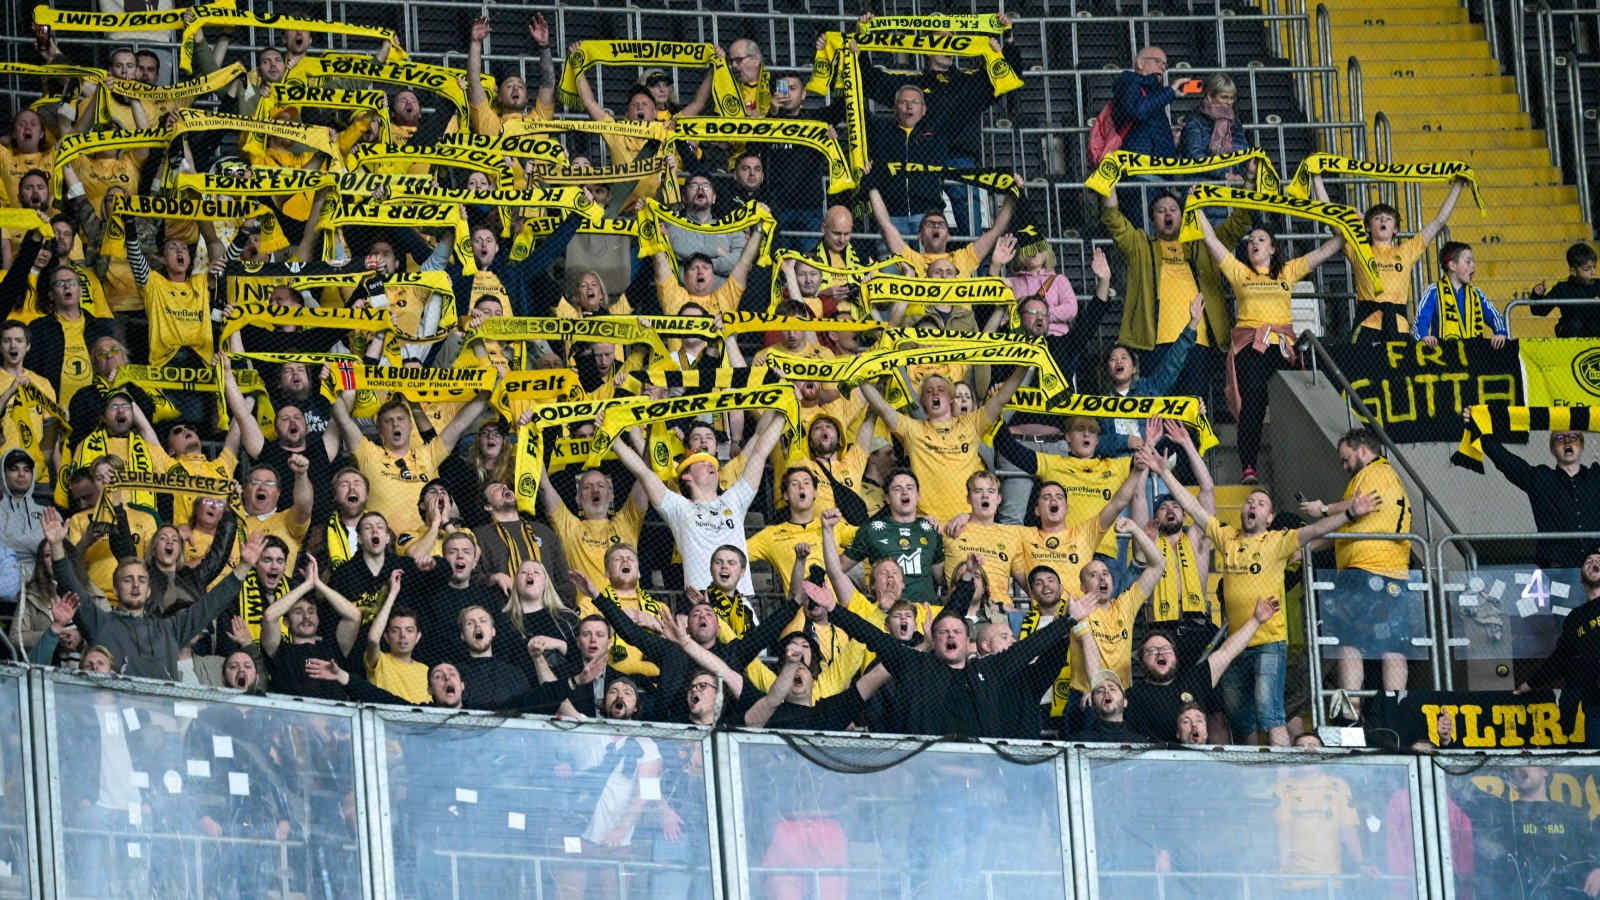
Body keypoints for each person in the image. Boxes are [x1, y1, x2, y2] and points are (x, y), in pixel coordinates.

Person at [1143, 445, 1378, 745]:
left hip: (1268, 643)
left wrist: (1349, 513)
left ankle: (1283, 769)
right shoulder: (1227, 537)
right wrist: (1163, 472)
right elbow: (1193, 506)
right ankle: (1251, 771)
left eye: (1261, 503)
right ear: (1243, 510)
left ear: (1269, 518)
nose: (1253, 504)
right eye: (1250, 501)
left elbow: (1318, 529)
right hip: (1234, 646)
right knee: (1240, 720)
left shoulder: (1278, 541)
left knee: (1270, 714)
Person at [806, 572, 1095, 739]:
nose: (950, 636)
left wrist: (1068, 621)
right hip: (929, 770)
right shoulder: (916, 664)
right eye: (942, 632)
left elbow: (1027, 648)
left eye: (957, 631)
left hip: (981, 770)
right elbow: (873, 637)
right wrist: (834, 610)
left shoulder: (989, 669)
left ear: (969, 642)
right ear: (934, 640)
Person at [1192, 205, 1345, 484]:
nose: (1254, 243)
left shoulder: (1288, 271)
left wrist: (1349, 226)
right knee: (1253, 404)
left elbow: (1327, 249)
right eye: (1250, 240)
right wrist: (1197, 207)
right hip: (1251, 348)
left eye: (1261, 239)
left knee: (1296, 403)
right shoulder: (1240, 272)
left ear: (1273, 248)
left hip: (1283, 347)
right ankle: (1249, 468)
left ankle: (1301, 465)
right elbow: (1211, 241)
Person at [44, 508, 266, 680]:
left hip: (165, 719)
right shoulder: (100, 623)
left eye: (142, 580)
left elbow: (211, 604)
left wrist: (244, 566)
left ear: (149, 590)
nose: (136, 585)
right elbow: (70, 584)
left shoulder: (170, 629)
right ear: (115, 589)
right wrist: (56, 546)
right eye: (128, 580)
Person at [1297, 427, 1417, 701]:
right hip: (1395, 574)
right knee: (1392, 644)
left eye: (1346, 458)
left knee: (1349, 642)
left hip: (1363, 571)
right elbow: (1346, 527)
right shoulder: (1390, 479)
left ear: (1363, 450)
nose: (1344, 466)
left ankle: (1351, 709)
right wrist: (1305, 548)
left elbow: (1358, 505)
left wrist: (1323, 509)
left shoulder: (1373, 472)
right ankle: (1396, 707)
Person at [610, 411, 786, 594]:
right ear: (687, 476)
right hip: (702, 606)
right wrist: (612, 437)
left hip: (742, 604)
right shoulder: (678, 507)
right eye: (702, 462)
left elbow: (759, 453)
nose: (711, 465)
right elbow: (643, 472)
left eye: (712, 463)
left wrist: (783, 414)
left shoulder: (734, 500)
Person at [1104, 188, 1246, 405]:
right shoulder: (1140, 245)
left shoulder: (1203, 245)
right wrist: (1108, 182)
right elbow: (1113, 219)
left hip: (1197, 344)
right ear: (1152, 219)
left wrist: (1249, 181)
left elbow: (1239, 225)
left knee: (1192, 409)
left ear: (1183, 215)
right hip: (1156, 345)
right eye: (1161, 211)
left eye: (1173, 209)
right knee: (1159, 411)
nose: (1168, 214)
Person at [858, 368, 1027, 523]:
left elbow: (1001, 399)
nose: (935, 393)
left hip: (966, 523)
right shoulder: (912, 429)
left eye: (941, 390)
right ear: (923, 401)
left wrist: (1025, 367)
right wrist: (859, 375)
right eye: (929, 391)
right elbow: (881, 407)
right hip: (928, 524)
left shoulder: (972, 423)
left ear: (951, 398)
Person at [1311, 173, 1466, 341]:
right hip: (1366, 326)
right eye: (1377, 218)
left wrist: (1458, 184)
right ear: (1368, 227)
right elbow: (1332, 219)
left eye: (1388, 219)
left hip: (1399, 327)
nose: (1383, 220)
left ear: (1396, 229)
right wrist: (1316, 177)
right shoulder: (1359, 249)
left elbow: (1439, 222)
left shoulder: (1406, 251)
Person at [1127, 598, 1279, 744]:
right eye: (1152, 650)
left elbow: (1227, 651)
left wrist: (1256, 620)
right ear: (1141, 659)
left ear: (1175, 656)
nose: (1161, 653)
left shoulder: (1195, 680)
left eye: (1166, 649)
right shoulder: (1132, 697)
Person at [1471, 418, 1600, 568]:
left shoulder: (1596, 477)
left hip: (1596, 568)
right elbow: (1507, 462)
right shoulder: (1541, 479)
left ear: (1582, 446)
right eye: (1559, 438)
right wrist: (1480, 429)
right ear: (1552, 449)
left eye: (1573, 437)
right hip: (1558, 569)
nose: (1567, 442)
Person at [259, 557, 362, 700]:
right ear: (286, 621)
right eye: (298, 612)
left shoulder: (332, 649)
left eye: (311, 612)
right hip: (293, 712)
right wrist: (307, 584)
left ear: (318, 620)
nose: (306, 617)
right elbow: (270, 616)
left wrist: (318, 584)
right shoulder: (279, 651)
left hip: (334, 713)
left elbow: (354, 616)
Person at [1517, 550, 1600, 703]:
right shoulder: (1576, 618)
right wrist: (1530, 684)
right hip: (1593, 703)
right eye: (1589, 561)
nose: (1594, 562)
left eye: (1599, 559)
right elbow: (1562, 658)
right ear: (1580, 578)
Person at [1412, 241, 1509, 347]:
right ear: (1453, 265)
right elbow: (1421, 320)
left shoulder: (1476, 294)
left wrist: (1500, 333)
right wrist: (1424, 337)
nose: (1474, 266)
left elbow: (1494, 316)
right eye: (1468, 262)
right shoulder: (1433, 292)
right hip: (1444, 353)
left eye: (1473, 262)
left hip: (1474, 353)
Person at [1529, 241, 1600, 336]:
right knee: (1575, 324)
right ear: (1573, 271)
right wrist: (1537, 294)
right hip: (1570, 332)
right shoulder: (1562, 287)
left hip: (1594, 333)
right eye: (1587, 269)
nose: (1593, 272)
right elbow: (1540, 310)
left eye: (1594, 267)